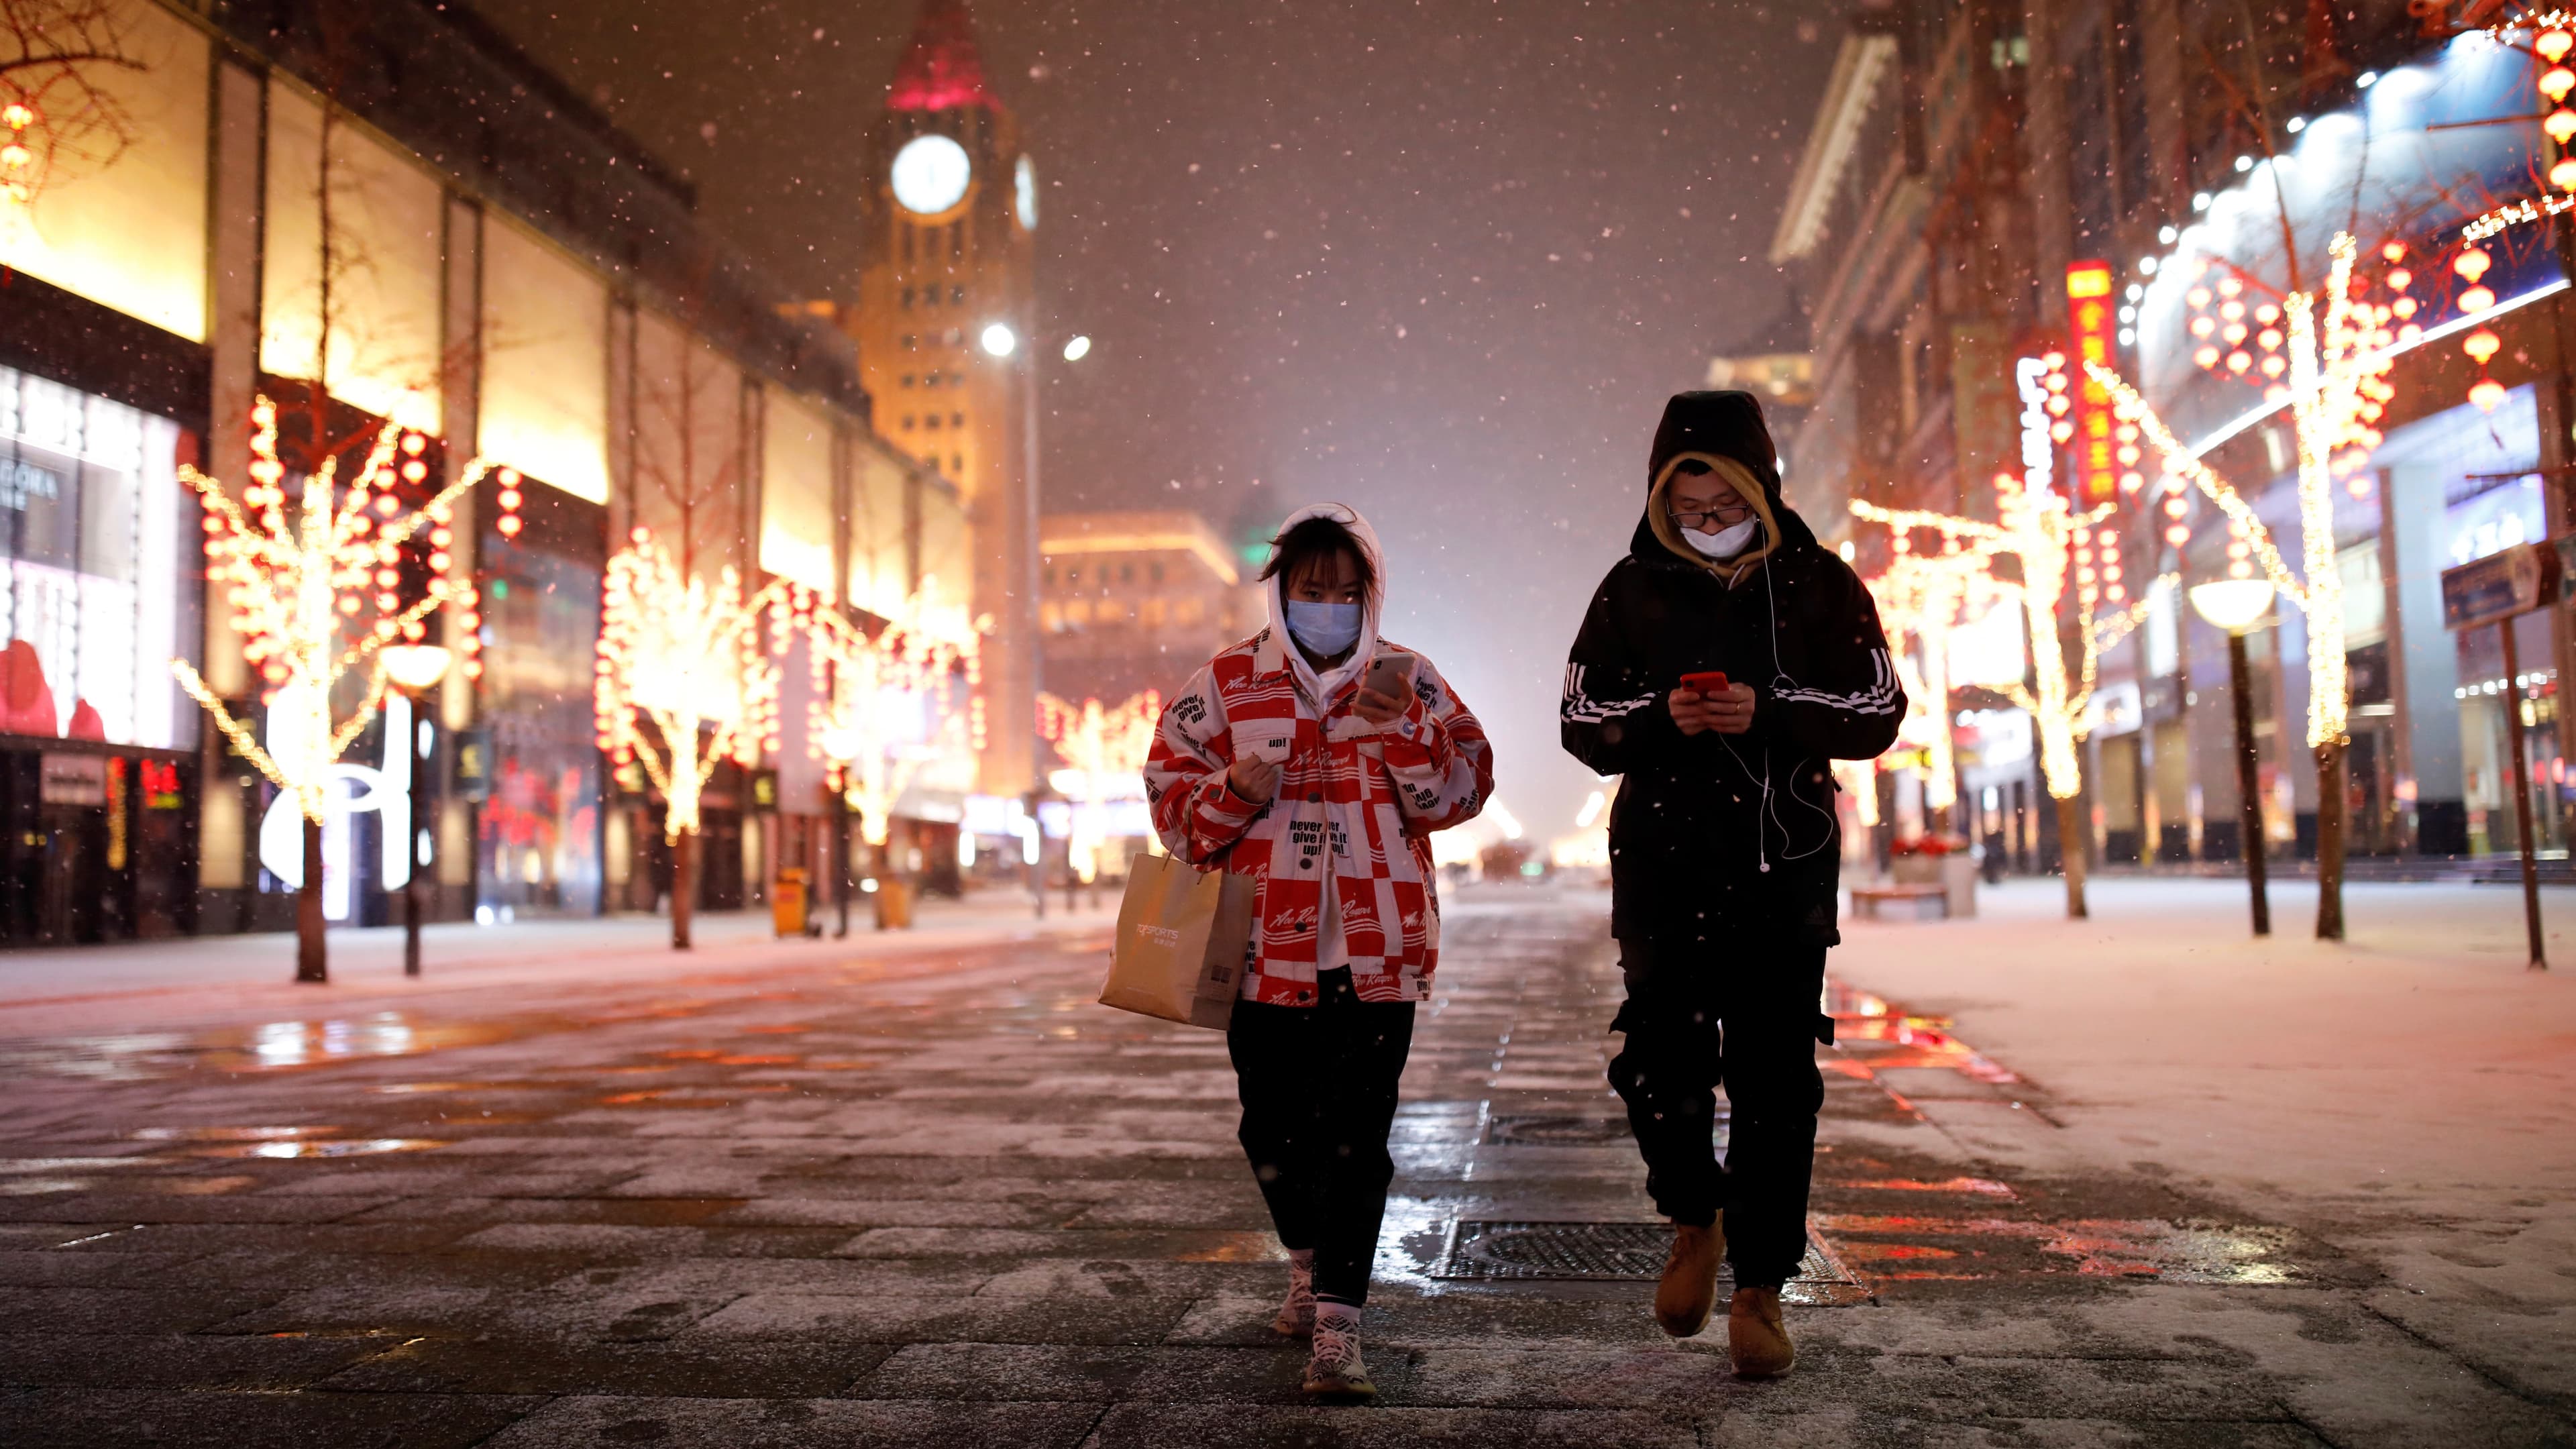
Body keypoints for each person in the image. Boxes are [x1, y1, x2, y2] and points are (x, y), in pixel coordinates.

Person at [1559, 391, 1903, 1377]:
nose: (1707, 525)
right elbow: (1583, 723)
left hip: (1783, 873)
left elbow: (1877, 710)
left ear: (1761, 489)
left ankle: (1761, 1285)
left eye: (1724, 505)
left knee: (1775, 1085)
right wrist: (1666, 718)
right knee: (1659, 1065)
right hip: (1664, 872)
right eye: (1689, 508)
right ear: (1662, 502)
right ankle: (1692, 1214)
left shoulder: (1822, 585)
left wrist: (1772, 710)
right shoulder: (1630, 590)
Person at [1145, 503, 1493, 1399]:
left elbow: (1462, 790)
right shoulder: (1223, 684)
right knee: (1271, 1127)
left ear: (1368, 596)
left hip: (1379, 950)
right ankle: (1307, 1260)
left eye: (1347, 592)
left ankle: (1340, 1322)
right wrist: (1231, 792)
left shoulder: (1409, 679)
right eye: (1312, 590)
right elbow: (1173, 810)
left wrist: (1406, 736)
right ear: (1282, 593)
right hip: (1261, 947)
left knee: (1358, 1136)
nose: (1329, 607)